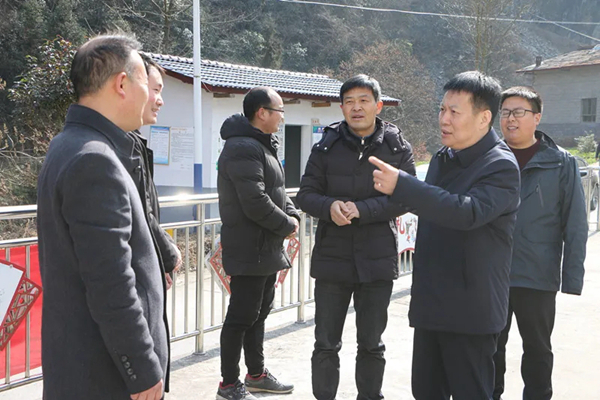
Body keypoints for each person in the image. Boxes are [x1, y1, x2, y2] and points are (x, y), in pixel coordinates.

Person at [369, 71, 521, 400]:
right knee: (425, 392)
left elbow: (467, 212)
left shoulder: (500, 165)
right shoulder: (443, 157)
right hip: (432, 304)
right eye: (442, 109)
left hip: (470, 310)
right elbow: (434, 206)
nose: (444, 119)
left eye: (454, 111)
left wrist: (404, 185)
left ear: (484, 118)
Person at [36, 34, 169, 400]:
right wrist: (141, 368)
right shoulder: (94, 159)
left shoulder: (70, 143)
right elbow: (111, 281)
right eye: (145, 82)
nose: (150, 95)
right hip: (105, 377)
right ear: (122, 84)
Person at [296, 74, 416, 400]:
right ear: (342, 108)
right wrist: (329, 206)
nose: (356, 107)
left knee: (372, 344)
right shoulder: (326, 146)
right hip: (332, 257)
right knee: (325, 343)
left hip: (377, 259)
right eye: (349, 101)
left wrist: (363, 210)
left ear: (378, 105)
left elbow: (407, 197)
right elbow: (306, 194)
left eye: (364, 100)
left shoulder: (396, 147)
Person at [493, 86, 587, 400]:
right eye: (505, 112)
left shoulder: (560, 163)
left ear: (537, 117)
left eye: (519, 112)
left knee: (537, 351)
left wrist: (571, 277)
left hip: (537, 274)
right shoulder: (488, 158)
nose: (510, 119)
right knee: (488, 349)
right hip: (490, 273)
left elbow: (575, 223)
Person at [216, 87, 299, 400]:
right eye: (279, 111)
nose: (281, 117)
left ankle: (256, 374)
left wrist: (292, 214)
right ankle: (228, 384)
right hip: (249, 248)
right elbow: (255, 201)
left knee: (259, 314)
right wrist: (286, 224)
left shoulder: (262, 145)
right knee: (240, 318)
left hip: (266, 248)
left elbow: (278, 191)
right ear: (262, 113)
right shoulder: (242, 148)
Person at [129, 54, 182, 290]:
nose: (160, 101)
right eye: (156, 90)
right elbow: (140, 214)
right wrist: (167, 255)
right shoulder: (118, 147)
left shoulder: (133, 141)